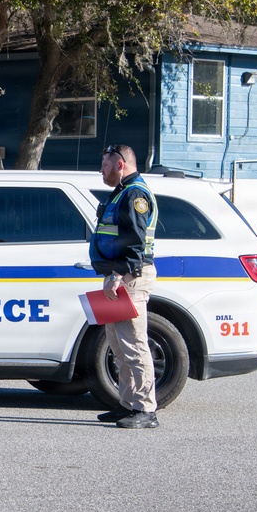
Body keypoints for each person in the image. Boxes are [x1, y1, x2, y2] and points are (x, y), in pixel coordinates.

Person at [90, 144, 160, 429]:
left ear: (120, 164)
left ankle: (146, 409)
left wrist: (118, 273)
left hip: (129, 277)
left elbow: (135, 241)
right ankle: (127, 403)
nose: (101, 170)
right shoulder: (121, 192)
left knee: (134, 344)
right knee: (118, 345)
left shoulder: (135, 194)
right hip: (116, 277)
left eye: (105, 165)